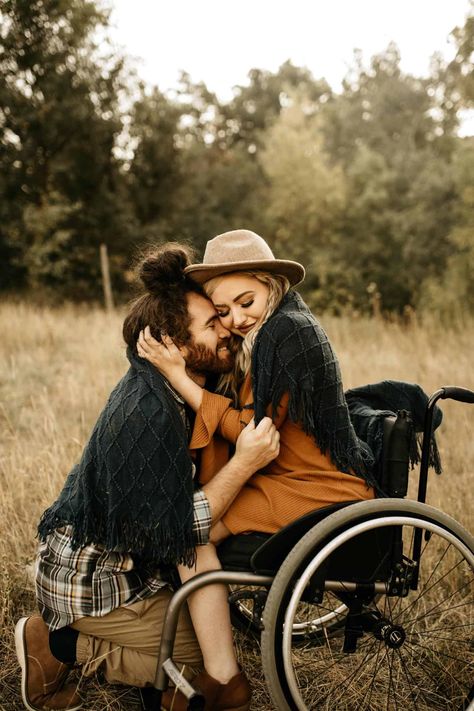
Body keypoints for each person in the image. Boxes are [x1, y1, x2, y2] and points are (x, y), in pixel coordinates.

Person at [15, 243, 279, 711]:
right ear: (174, 345)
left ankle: (149, 680)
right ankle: (55, 645)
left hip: (132, 564)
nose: (227, 330)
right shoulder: (149, 412)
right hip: (94, 583)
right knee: (206, 656)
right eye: (212, 324)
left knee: (210, 627)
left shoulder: (178, 385)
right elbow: (181, 531)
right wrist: (244, 464)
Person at [137, 228, 377, 709]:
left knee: (192, 533)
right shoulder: (279, 325)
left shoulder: (285, 332)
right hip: (292, 476)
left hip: (320, 490)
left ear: (269, 281)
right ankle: (202, 648)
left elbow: (253, 434)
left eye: (245, 301)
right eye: (222, 312)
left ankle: (223, 679)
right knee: (197, 520)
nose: (237, 319)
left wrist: (179, 378)